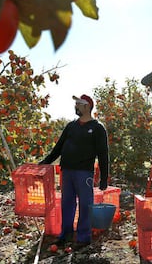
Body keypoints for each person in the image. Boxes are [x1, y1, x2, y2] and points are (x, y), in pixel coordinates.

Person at [39, 94, 109, 249]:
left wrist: (104, 178)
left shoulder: (97, 128)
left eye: (79, 104)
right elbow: (58, 148)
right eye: (76, 104)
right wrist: (46, 162)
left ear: (87, 106)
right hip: (67, 171)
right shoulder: (71, 126)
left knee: (85, 205)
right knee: (67, 204)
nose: (76, 106)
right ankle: (65, 235)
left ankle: (83, 238)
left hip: (84, 173)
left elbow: (103, 154)